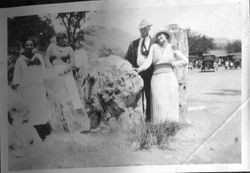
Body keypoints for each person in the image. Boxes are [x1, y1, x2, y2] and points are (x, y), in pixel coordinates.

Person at [135, 30, 188, 125]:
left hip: (169, 78)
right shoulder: (154, 47)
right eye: (158, 36)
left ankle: (171, 126)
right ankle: (159, 128)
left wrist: (173, 64)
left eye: (161, 35)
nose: (159, 37)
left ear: (167, 36)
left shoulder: (172, 47)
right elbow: (148, 62)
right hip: (157, 78)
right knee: (159, 102)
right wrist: (140, 69)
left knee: (170, 101)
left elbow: (185, 61)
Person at [12, 38, 50, 140]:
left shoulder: (39, 57)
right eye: (27, 45)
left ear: (34, 46)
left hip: (39, 87)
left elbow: (44, 71)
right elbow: (17, 75)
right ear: (24, 47)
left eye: (31, 45)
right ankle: (32, 135)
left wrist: (46, 85)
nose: (29, 47)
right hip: (27, 89)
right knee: (31, 110)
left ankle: (43, 133)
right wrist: (17, 85)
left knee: (40, 110)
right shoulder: (20, 60)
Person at [44, 33, 83, 111]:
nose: (64, 40)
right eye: (62, 38)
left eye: (65, 38)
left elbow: (72, 62)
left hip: (66, 70)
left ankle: (75, 110)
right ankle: (59, 108)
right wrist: (50, 67)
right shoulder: (52, 47)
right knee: (58, 90)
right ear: (58, 39)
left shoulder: (69, 49)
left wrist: (66, 68)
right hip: (55, 70)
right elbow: (46, 58)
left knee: (70, 88)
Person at [125, 19, 155, 122]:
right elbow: (127, 59)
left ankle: (149, 118)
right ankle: (138, 119)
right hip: (137, 73)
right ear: (139, 31)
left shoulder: (154, 42)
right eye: (141, 29)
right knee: (137, 96)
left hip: (150, 73)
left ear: (149, 29)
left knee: (149, 95)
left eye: (146, 29)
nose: (143, 31)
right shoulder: (133, 44)